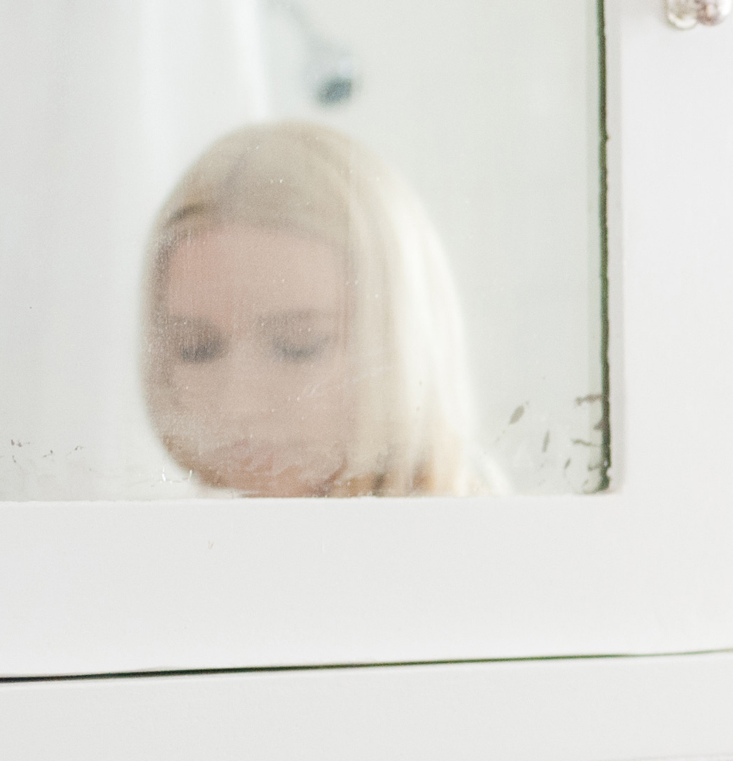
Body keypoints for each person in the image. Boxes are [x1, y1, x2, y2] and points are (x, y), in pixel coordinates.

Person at [139, 120, 501, 497]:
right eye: (196, 349)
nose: (237, 406)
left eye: (299, 346)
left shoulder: (489, 548)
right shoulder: (186, 544)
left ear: (397, 346)